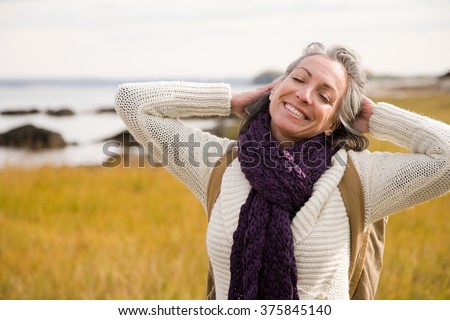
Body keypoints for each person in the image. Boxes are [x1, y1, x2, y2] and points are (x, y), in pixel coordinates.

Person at [114, 42, 450, 300]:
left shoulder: (359, 178)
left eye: (324, 95)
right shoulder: (220, 164)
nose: (304, 95)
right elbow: (132, 102)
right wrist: (231, 101)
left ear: (335, 121)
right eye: (298, 79)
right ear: (275, 88)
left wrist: (376, 118)